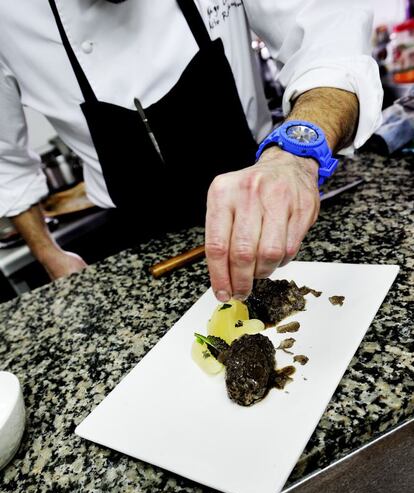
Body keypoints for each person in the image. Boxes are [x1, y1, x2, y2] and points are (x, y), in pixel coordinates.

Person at [0, 0, 382, 301]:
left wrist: (295, 155)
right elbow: (6, 163)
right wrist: (50, 254)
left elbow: (329, 38)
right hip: (140, 246)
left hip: (270, 204)